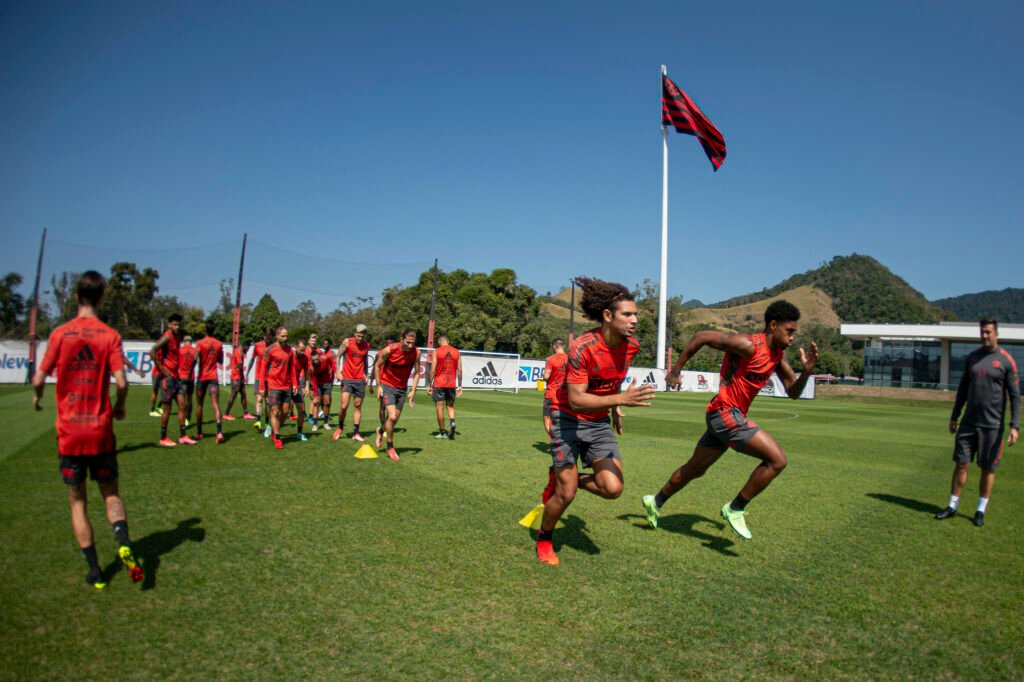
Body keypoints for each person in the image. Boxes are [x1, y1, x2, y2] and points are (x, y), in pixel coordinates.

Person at [641, 300, 818, 540]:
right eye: (789, 331)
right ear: (773, 325)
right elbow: (701, 336)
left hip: (726, 416)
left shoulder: (777, 356)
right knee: (777, 460)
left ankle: (656, 501)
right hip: (725, 412)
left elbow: (793, 392)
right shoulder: (747, 345)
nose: (793, 337)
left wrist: (806, 372)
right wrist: (675, 371)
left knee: (695, 469)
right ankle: (735, 508)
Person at [31, 271, 143, 589]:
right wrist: (119, 405)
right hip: (101, 431)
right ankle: (122, 540)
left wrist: (37, 399)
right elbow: (122, 382)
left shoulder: (60, 335)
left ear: (75, 297)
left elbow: (39, 379)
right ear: (102, 298)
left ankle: (95, 571)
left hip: (69, 434)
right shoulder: (109, 336)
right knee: (111, 494)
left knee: (78, 502)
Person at [534, 278, 655, 566]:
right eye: (628, 314)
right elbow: (576, 400)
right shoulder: (582, 348)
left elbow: (611, 381)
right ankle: (545, 538)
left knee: (613, 489)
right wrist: (621, 401)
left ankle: (565, 479)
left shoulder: (632, 346)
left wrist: (614, 409)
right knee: (565, 496)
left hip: (599, 422)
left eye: (635, 314)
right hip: (567, 420)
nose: (635, 320)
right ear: (608, 316)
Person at [935, 318, 1019, 526]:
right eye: (982, 332)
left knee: (987, 468)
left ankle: (980, 510)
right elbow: (963, 389)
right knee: (961, 464)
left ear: (996, 334)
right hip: (968, 423)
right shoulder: (972, 358)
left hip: (992, 426)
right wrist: (955, 416)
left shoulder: (1006, 361)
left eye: (988, 332)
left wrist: (1014, 426)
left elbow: (1015, 396)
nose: (985, 336)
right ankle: (952, 505)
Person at [373, 329, 420, 461]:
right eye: (408, 342)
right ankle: (390, 447)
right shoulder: (390, 350)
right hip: (388, 386)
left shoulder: (416, 352)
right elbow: (377, 366)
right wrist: (378, 386)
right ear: (401, 339)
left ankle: (380, 431)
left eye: (413, 343)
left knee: (393, 421)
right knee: (392, 417)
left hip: (402, 389)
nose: (410, 346)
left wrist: (413, 390)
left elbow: (417, 372)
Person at [150, 313, 195, 446]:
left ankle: (183, 436)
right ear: (169, 325)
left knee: (182, 405)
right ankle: (163, 437)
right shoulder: (167, 337)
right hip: (168, 378)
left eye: (179, 324)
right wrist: (162, 369)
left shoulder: (177, 337)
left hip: (177, 377)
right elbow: (152, 351)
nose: (177, 327)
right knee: (167, 408)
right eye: (175, 324)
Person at [262, 326, 306, 449]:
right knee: (275, 411)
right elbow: (263, 368)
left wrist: (295, 384)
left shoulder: (289, 351)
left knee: (285, 412)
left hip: (286, 386)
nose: (285, 338)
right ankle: (277, 437)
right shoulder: (270, 350)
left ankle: (273, 428)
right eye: (283, 336)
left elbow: (292, 369)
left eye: (286, 336)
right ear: (277, 336)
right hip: (273, 385)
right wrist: (262, 386)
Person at [334, 324, 371, 442]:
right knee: (344, 406)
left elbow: (364, 360)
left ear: (365, 335)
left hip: (360, 380)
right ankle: (340, 427)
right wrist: (338, 372)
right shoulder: (347, 342)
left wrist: (366, 374)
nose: (359, 338)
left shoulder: (366, 345)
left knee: (357, 406)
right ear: (354, 333)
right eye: (358, 335)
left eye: (362, 336)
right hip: (347, 379)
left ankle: (356, 433)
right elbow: (338, 356)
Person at [194, 320, 226, 443]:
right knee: (215, 404)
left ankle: (199, 432)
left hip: (202, 377)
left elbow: (195, 358)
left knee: (199, 404)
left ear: (205, 330)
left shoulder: (200, 343)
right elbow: (221, 361)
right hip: (213, 377)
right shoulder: (218, 344)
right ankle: (219, 432)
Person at [427, 334, 462, 440]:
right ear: (448, 341)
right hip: (451, 384)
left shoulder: (436, 351)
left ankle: (443, 433)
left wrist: (429, 384)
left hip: (439, 383)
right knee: (450, 406)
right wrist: (460, 385)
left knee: (439, 408)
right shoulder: (457, 352)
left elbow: (432, 370)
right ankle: (452, 423)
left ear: (439, 342)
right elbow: (459, 370)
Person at [247, 327, 274, 430]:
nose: (268, 338)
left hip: (270, 378)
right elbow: (252, 359)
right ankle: (258, 421)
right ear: (263, 335)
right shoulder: (257, 346)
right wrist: (247, 373)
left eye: (270, 336)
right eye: (266, 336)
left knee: (268, 401)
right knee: (259, 398)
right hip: (259, 377)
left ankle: (267, 422)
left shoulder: (274, 346)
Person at [542, 338, 569, 439]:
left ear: (554, 346)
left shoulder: (550, 359)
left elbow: (546, 376)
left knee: (547, 418)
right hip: (566, 394)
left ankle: (555, 440)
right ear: (564, 346)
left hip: (552, 393)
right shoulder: (570, 359)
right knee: (565, 419)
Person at [223, 339, 254, 420]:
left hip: (238, 377)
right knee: (233, 395)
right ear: (245, 346)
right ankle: (226, 414)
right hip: (236, 377)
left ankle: (246, 413)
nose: (248, 350)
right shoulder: (239, 353)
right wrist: (242, 377)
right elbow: (239, 366)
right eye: (248, 348)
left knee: (243, 394)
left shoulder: (238, 351)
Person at [310, 337, 336, 431]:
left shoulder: (325, 358)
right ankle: (315, 424)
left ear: (319, 357)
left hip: (327, 382)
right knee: (316, 403)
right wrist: (316, 395)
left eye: (317, 359)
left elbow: (332, 363)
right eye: (313, 360)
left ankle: (325, 423)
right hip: (318, 384)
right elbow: (313, 381)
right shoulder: (311, 369)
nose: (315, 361)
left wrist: (335, 371)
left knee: (327, 402)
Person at [178, 335, 197, 427]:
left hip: (182, 376)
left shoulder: (180, 350)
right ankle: (188, 419)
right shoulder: (194, 350)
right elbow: (195, 361)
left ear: (183, 341)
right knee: (189, 399)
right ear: (191, 342)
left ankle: (182, 420)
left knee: (182, 399)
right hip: (191, 377)